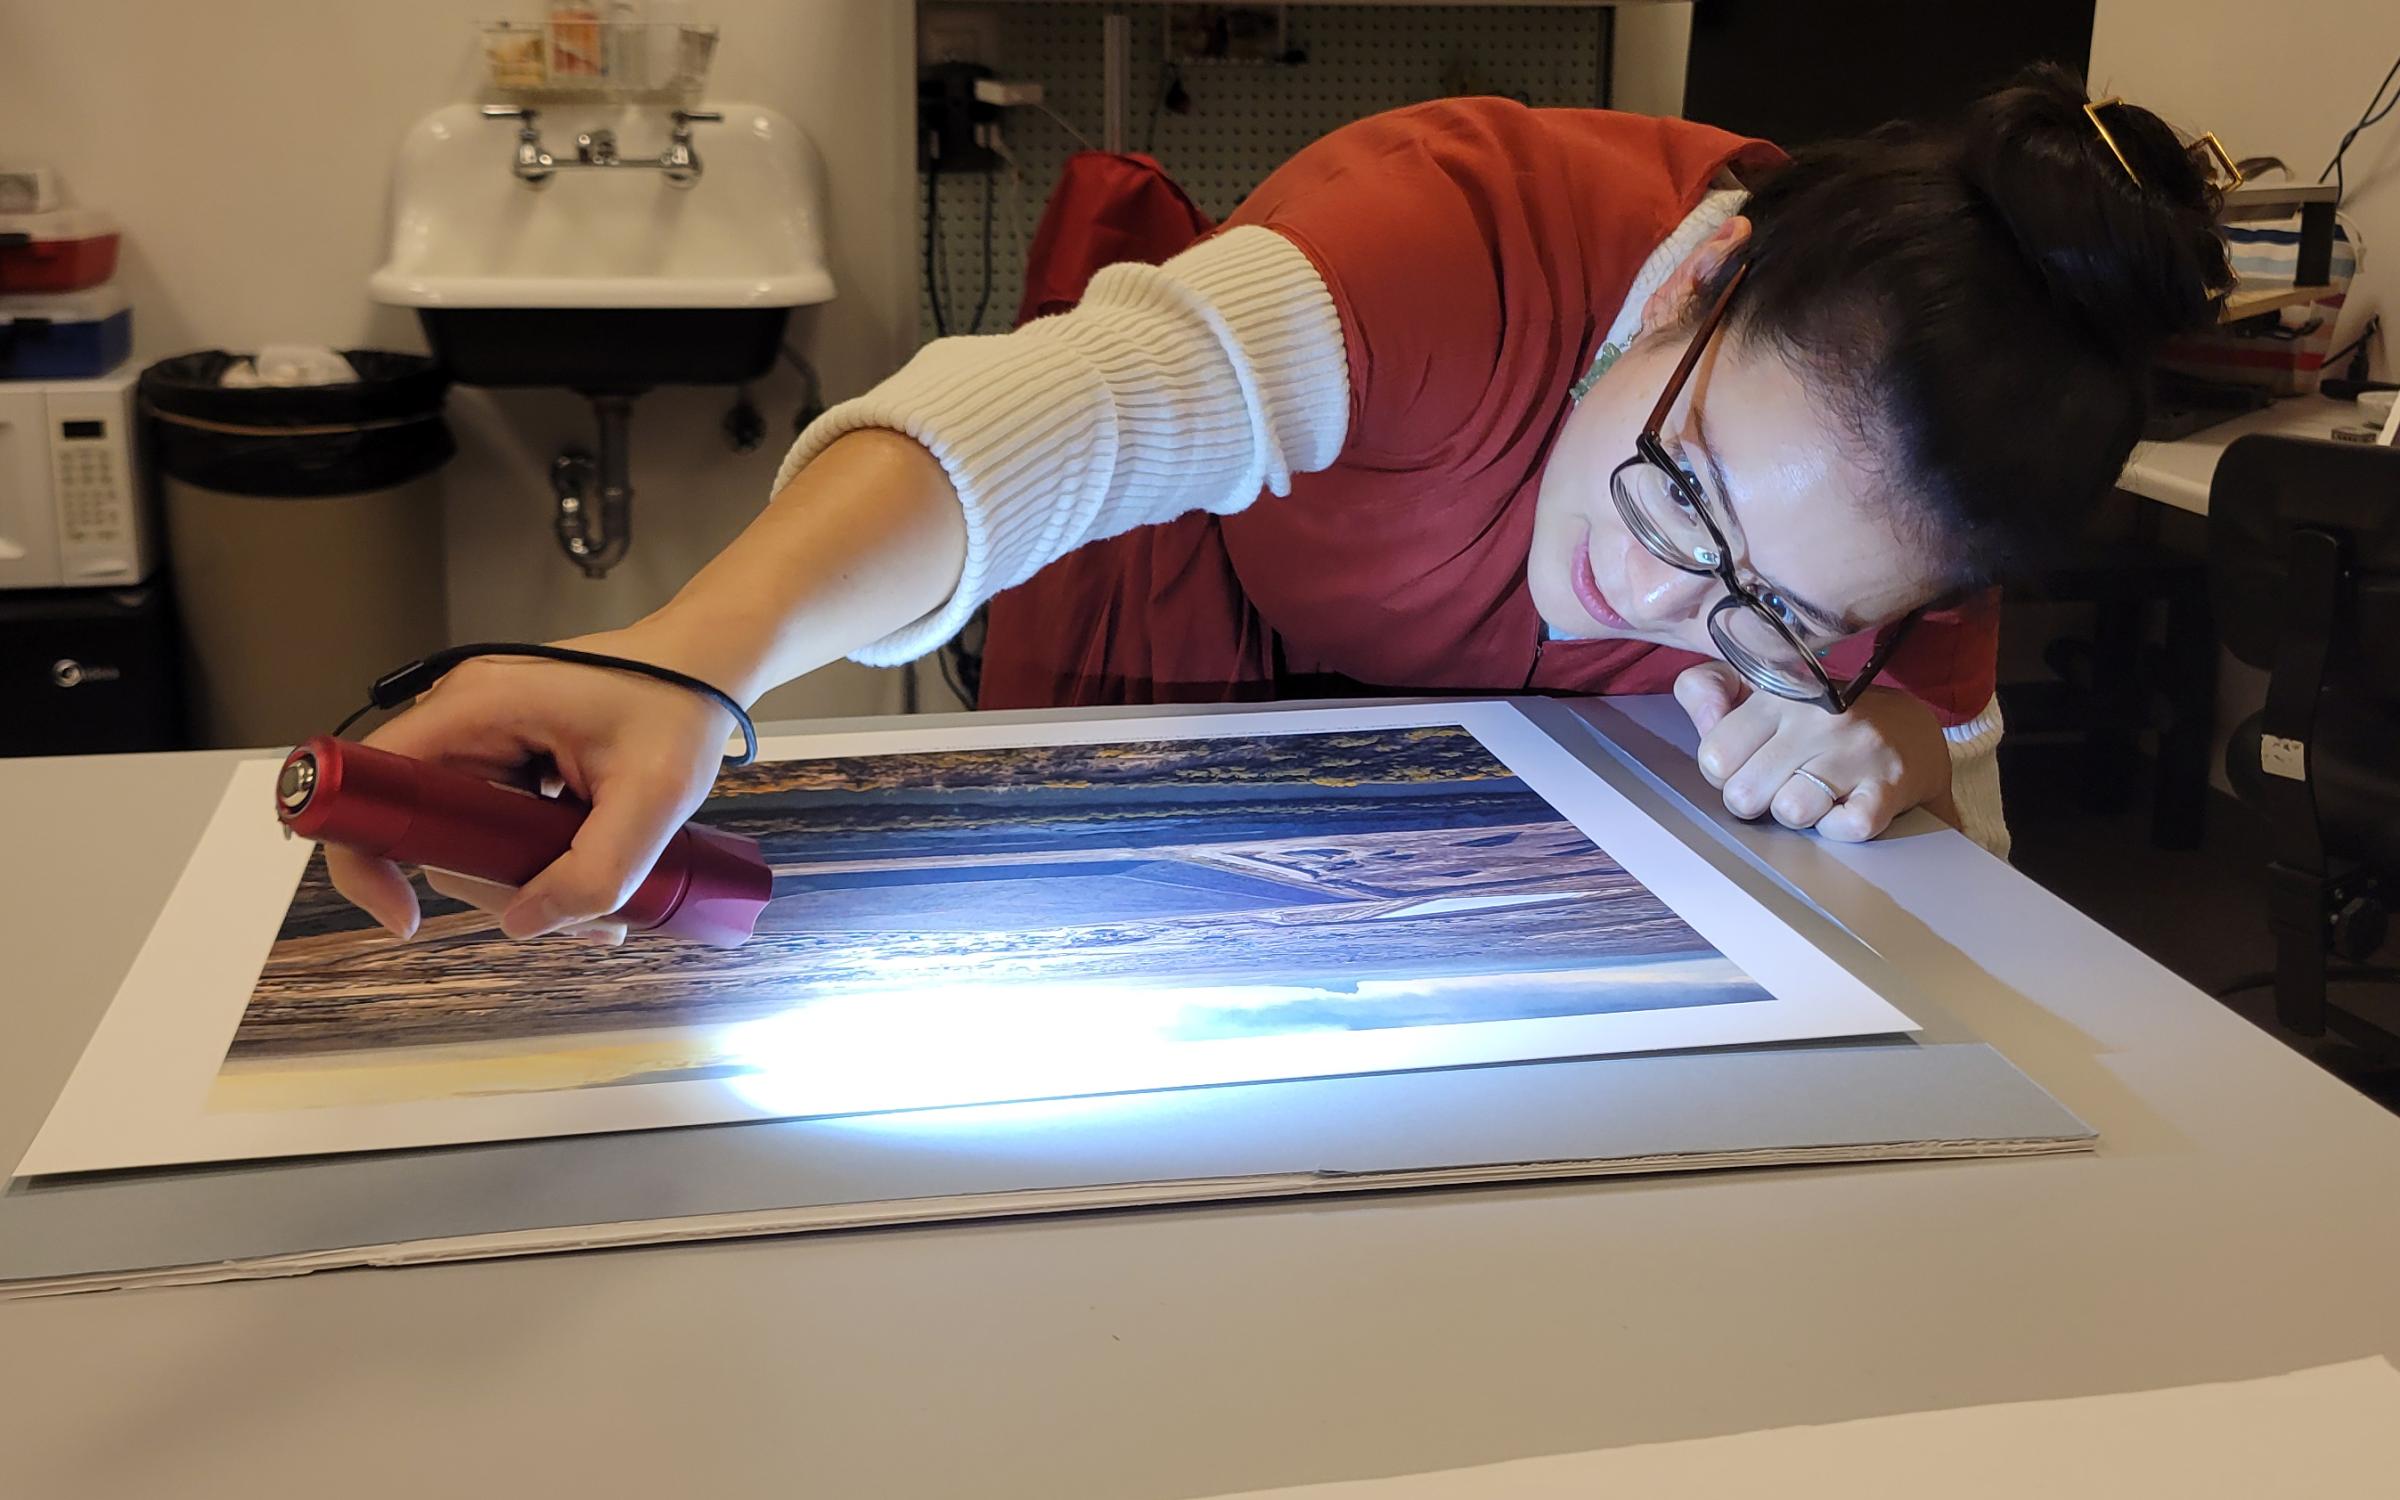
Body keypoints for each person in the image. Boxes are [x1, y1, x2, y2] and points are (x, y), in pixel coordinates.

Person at [331, 65, 2232, 944]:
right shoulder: (1446, 241)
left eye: (1770, 611)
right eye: (1681, 494)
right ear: (1680, 290)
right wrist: (692, 663)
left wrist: (1876, 737)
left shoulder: (1949, 451)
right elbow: (1032, 419)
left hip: (1500, 874)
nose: (1659, 601)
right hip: (1198, 646)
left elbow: (1931, 740)